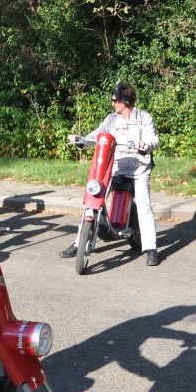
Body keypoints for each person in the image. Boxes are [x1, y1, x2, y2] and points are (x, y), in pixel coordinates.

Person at [60, 82, 161, 266]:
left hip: (139, 168)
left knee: (144, 205)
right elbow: (97, 135)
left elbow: (154, 139)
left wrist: (145, 145)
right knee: (93, 198)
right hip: (116, 167)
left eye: (115, 100)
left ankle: (151, 248)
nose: (113, 103)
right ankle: (79, 243)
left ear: (125, 101)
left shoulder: (144, 117)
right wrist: (82, 140)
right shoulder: (111, 119)